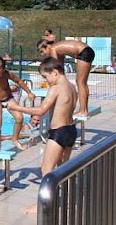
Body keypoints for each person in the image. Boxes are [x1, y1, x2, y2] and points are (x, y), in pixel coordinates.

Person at [7, 58, 77, 214]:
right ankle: (65, 199)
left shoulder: (56, 88)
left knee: (46, 169)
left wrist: (17, 107)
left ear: (55, 72)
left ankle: (44, 204)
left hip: (59, 132)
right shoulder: (72, 87)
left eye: (46, 77)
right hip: (71, 130)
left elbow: (41, 110)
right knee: (63, 168)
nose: (46, 81)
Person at [0, 55, 36, 151]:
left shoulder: (6, 74)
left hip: (8, 98)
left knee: (19, 118)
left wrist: (29, 92)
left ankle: (15, 139)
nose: (0, 75)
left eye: (1, 73)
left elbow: (19, 81)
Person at [37, 38, 94, 117]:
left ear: (47, 47)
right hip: (86, 51)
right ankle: (84, 110)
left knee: (80, 82)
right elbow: (61, 69)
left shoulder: (53, 48)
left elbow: (55, 66)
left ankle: (83, 111)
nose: (42, 54)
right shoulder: (58, 48)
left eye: (42, 51)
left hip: (83, 52)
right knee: (82, 82)